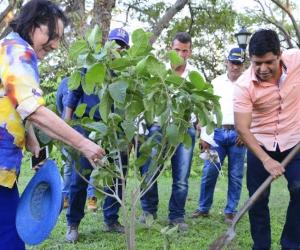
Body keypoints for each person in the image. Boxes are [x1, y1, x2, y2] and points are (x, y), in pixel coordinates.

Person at [0, 1, 105, 249]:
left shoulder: (8, 47)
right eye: (52, 35)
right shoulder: (18, 52)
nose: (56, 44)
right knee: (10, 238)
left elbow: (14, 106)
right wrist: (84, 144)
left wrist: (32, 140)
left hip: (5, 168)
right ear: (32, 23)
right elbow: (34, 110)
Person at [233, 29, 300, 249]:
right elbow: (242, 128)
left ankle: (291, 245)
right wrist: (265, 160)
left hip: (294, 140)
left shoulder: (297, 60)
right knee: (258, 200)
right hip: (260, 143)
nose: (263, 69)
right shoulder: (244, 85)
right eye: (256, 63)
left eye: (269, 62)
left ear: (280, 54)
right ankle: (261, 246)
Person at [65, 27, 130, 243]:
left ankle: (111, 220)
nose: (117, 50)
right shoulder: (90, 66)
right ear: (106, 44)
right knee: (79, 180)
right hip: (87, 131)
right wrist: (67, 128)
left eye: (122, 46)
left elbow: (129, 106)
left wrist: (128, 136)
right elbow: (73, 96)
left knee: (116, 179)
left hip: (115, 134)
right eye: (114, 44)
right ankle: (73, 224)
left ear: (126, 50)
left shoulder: (126, 73)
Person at [138, 32, 197, 231]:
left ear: (190, 52)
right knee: (149, 171)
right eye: (177, 49)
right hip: (156, 128)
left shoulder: (195, 75)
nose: (180, 54)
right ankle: (148, 211)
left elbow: (199, 103)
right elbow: (144, 101)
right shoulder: (157, 71)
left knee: (181, 177)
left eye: (185, 50)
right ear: (169, 50)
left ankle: (177, 216)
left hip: (183, 129)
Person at [189, 48, 247, 225]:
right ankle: (203, 208)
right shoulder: (215, 82)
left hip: (239, 134)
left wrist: (246, 133)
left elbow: (256, 109)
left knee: (236, 175)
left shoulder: (249, 82)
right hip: (217, 134)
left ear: (244, 65)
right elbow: (208, 110)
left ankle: (231, 212)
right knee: (210, 171)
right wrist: (205, 136)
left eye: (239, 63)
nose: (235, 66)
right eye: (232, 62)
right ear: (227, 63)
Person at [56, 77, 96, 211]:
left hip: (86, 129)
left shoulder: (91, 80)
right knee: (68, 165)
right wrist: (67, 123)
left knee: (92, 165)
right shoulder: (65, 83)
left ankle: (92, 198)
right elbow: (60, 105)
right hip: (69, 130)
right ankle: (65, 197)